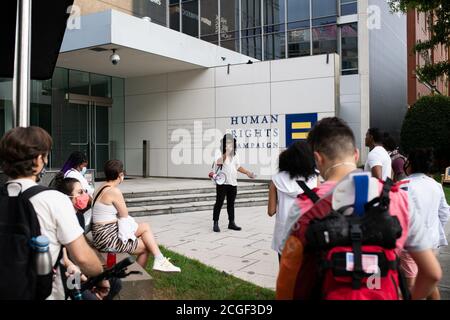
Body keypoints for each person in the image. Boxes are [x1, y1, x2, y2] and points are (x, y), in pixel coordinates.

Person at [276, 117, 442, 300]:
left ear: (317, 158)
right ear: (355, 154)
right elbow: (432, 274)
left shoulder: (304, 205)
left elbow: (287, 282)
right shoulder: (399, 199)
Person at [0, 127, 103, 300]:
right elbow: (83, 257)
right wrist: (101, 277)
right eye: (46, 155)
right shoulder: (54, 200)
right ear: (39, 159)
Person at [91, 160, 180, 272]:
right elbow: (124, 214)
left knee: (145, 227)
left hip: (101, 235)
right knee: (145, 247)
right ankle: (139, 275)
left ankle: (160, 260)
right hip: (108, 240)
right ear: (120, 175)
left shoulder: (101, 187)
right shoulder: (114, 191)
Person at [54, 177, 122, 300]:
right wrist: (88, 281)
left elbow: (84, 244)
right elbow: (65, 259)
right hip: (68, 273)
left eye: (84, 191)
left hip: (81, 269)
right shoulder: (61, 220)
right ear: (67, 197)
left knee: (115, 282)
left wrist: (97, 272)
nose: (85, 195)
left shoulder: (79, 216)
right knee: (89, 296)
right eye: (80, 192)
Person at [399, 148, 450, 300]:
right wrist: (434, 230)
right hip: (432, 242)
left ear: (411, 164)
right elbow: (444, 213)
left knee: (410, 285)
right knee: (429, 282)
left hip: (410, 243)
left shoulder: (403, 185)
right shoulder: (436, 185)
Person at [267, 141, 319, 262]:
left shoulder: (276, 179)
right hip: (306, 232)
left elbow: (271, 211)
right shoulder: (314, 178)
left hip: (284, 234)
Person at [212, 134, 255, 232]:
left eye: (231, 142)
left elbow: (237, 166)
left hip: (233, 182)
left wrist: (247, 172)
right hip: (222, 182)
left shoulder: (235, 154)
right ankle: (215, 222)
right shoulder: (218, 152)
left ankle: (231, 223)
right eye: (227, 142)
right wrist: (226, 153)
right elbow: (218, 162)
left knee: (231, 204)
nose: (229, 144)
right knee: (219, 202)